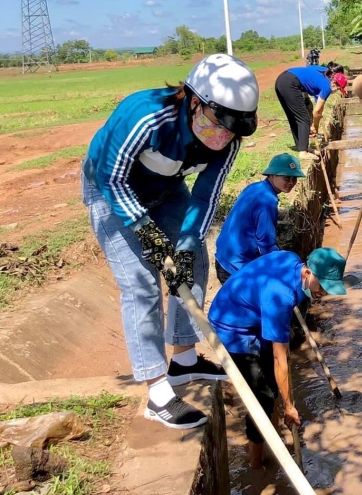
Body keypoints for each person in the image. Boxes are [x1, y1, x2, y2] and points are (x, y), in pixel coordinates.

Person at [83, 54, 259, 430]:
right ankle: (157, 390)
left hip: (168, 189)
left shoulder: (227, 142)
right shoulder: (145, 117)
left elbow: (205, 197)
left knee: (192, 261)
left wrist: (185, 243)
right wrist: (146, 232)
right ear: (195, 102)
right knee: (141, 283)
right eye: (219, 125)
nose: (223, 136)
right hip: (109, 189)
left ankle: (184, 359)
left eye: (232, 130)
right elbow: (111, 178)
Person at [208, 247, 347, 468]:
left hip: (256, 316)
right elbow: (280, 360)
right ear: (308, 273)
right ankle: (256, 464)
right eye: (322, 287)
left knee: (273, 386)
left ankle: (273, 435)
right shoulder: (280, 298)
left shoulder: (292, 259)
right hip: (232, 327)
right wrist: (290, 406)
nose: (324, 293)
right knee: (262, 397)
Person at [214, 153, 306, 284]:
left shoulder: (255, 187)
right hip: (236, 265)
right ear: (272, 175)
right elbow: (266, 242)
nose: (291, 182)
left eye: (294, 178)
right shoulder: (267, 200)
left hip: (224, 255)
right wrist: (282, 267)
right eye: (286, 178)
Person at [274, 64, 337, 158]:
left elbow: (320, 106)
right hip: (291, 83)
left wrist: (314, 126)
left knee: (293, 117)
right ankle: (303, 152)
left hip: (282, 79)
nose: (337, 90)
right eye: (339, 87)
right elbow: (316, 112)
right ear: (334, 82)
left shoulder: (322, 71)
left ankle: (302, 146)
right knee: (303, 118)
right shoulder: (327, 86)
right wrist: (314, 126)